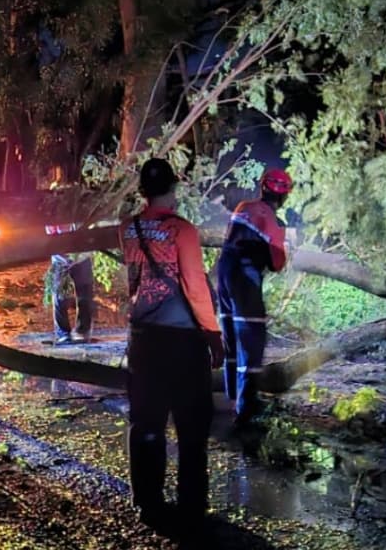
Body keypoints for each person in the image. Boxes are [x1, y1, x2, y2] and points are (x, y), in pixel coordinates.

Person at [119, 158, 225, 537]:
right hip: (181, 342)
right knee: (191, 426)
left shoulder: (128, 229)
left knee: (146, 422)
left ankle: (147, 502)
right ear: (173, 188)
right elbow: (195, 286)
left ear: (143, 191)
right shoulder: (183, 231)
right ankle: (191, 506)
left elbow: (133, 280)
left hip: (143, 338)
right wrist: (213, 334)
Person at [217, 169, 293, 426]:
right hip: (246, 281)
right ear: (285, 196)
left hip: (224, 275)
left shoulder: (243, 206)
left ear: (263, 187)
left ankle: (231, 397)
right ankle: (246, 410)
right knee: (251, 343)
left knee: (231, 338)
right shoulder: (275, 222)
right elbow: (277, 263)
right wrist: (286, 249)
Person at [48, 253, 95, 344]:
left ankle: (82, 330)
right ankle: (63, 333)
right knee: (59, 296)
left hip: (82, 257)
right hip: (59, 259)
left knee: (85, 295)